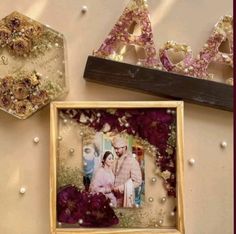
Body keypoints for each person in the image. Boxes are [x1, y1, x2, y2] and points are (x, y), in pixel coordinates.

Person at [111, 136, 142, 207]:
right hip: (113, 198)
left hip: (125, 199)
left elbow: (138, 181)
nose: (115, 151)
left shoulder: (132, 161)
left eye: (117, 148)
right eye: (114, 148)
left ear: (124, 147)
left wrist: (121, 188)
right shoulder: (115, 161)